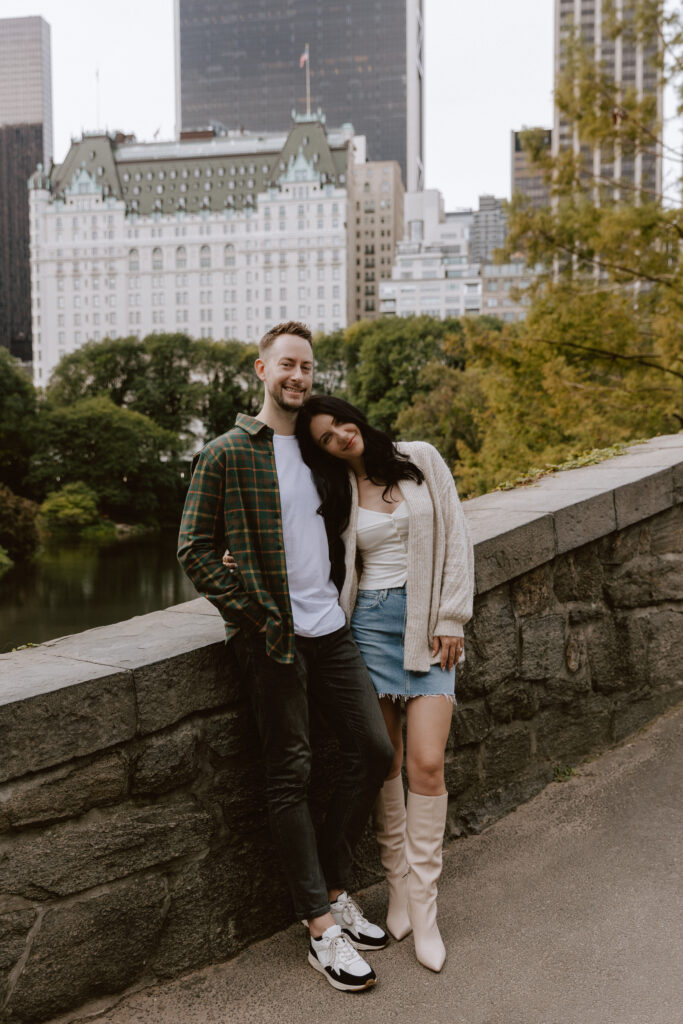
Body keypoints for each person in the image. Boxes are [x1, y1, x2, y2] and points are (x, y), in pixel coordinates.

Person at [177, 323, 394, 993]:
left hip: (331, 629)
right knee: (289, 771)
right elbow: (192, 548)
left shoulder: (321, 450)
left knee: (372, 751)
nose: (297, 376)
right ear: (261, 369)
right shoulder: (225, 454)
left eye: (306, 366)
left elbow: (375, 493)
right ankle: (319, 928)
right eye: (286, 365)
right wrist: (252, 608)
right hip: (270, 637)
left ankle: (333, 887)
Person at [293, 394, 474, 973]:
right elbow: (306, 549)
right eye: (324, 437)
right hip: (368, 630)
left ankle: (425, 909)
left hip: (427, 629)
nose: (340, 436)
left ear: (355, 418)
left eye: (341, 423)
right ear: (320, 451)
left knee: (427, 765)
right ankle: (397, 887)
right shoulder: (338, 492)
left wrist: (451, 618)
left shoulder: (418, 458)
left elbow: (457, 538)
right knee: (385, 760)